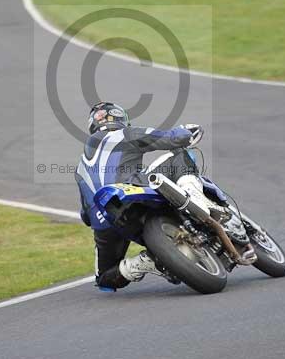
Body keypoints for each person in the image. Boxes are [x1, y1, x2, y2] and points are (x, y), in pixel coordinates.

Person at [75, 101, 204, 291]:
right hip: (132, 193)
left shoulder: (80, 167)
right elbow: (171, 138)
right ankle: (196, 198)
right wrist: (187, 131)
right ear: (121, 119)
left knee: (104, 278)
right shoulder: (124, 134)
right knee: (179, 154)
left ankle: (143, 262)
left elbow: (85, 215)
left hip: (104, 220)